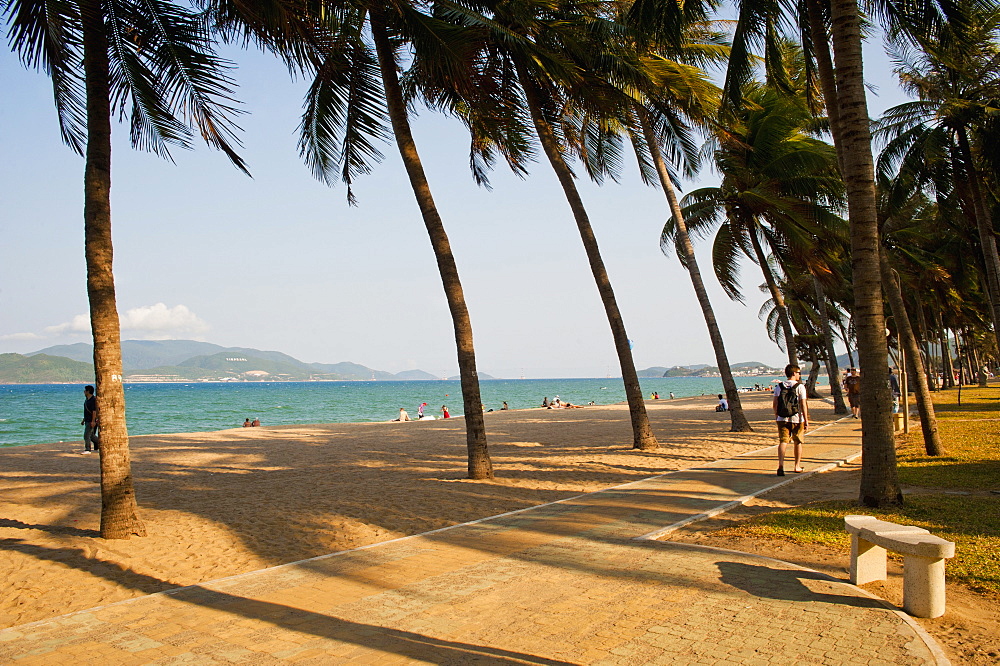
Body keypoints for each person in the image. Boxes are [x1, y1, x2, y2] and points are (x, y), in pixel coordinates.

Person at [774, 364, 809, 476]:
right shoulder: (800, 387)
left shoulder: (779, 386)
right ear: (794, 373)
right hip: (797, 418)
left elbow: (775, 404)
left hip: (782, 418)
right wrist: (806, 419)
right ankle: (797, 466)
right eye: (799, 373)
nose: (799, 375)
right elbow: (803, 404)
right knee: (797, 441)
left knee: (783, 441)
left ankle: (780, 465)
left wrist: (777, 416)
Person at [81, 385, 100, 454]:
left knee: (87, 435)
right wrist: (83, 420)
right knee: (91, 436)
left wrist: (93, 421)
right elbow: (87, 411)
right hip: (87, 419)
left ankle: (87, 449)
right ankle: (101, 443)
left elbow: (94, 411)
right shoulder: (87, 400)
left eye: (85, 390)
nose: (84, 392)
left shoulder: (93, 400)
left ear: (88, 391)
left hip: (91, 420)